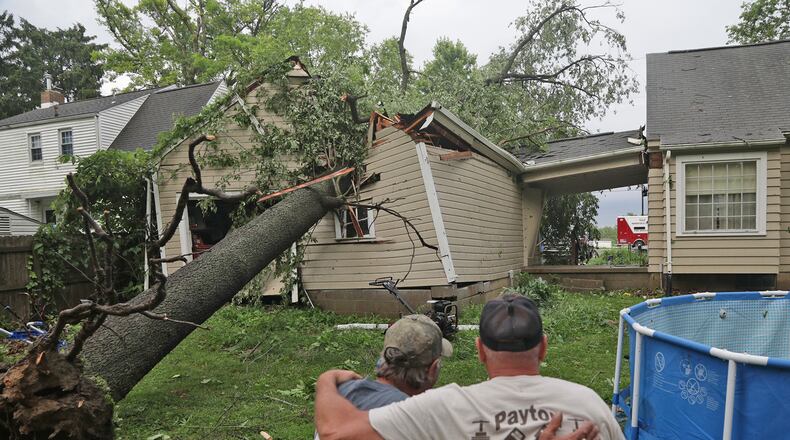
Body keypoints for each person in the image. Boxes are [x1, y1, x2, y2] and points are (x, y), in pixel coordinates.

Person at [315, 294, 623, 440]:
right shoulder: (589, 404)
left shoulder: (440, 409)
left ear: (480, 351)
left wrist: (326, 380)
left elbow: (336, 432)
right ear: (543, 347)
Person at [314, 314, 452, 439]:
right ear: (433, 369)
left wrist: (326, 379)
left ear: (386, 355)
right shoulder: (414, 419)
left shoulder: (334, 395)